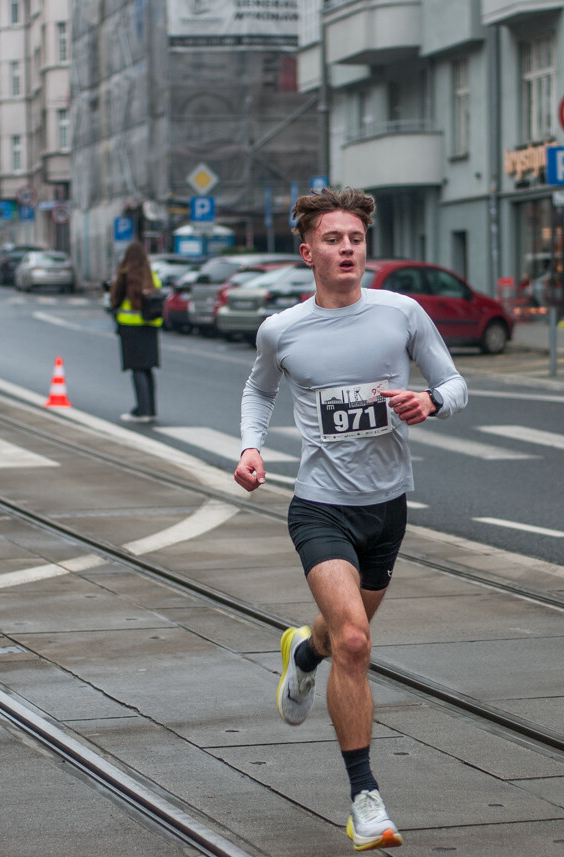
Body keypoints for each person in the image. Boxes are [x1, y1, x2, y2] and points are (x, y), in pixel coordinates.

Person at [234, 187, 467, 851]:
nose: (347, 249)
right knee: (358, 643)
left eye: (356, 239)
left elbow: (455, 384)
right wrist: (251, 446)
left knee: (339, 637)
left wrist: (431, 401)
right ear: (308, 252)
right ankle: (365, 798)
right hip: (319, 507)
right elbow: (260, 388)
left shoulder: (401, 313)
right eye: (333, 240)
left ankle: (302, 651)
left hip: (386, 509)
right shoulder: (283, 330)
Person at [110, 237, 162, 423]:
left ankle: (142, 411)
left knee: (137, 368)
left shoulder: (126, 274)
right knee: (147, 369)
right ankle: (150, 409)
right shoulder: (151, 275)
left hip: (130, 327)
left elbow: (115, 299)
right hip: (150, 327)